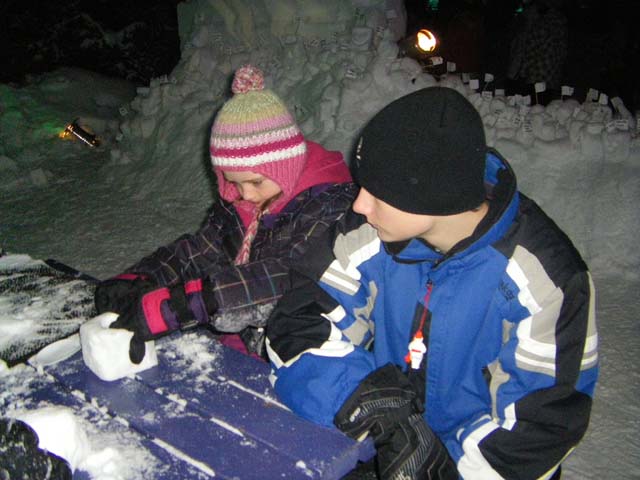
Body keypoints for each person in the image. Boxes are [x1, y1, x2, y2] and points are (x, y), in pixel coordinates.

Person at [265, 87, 598, 479]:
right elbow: (297, 325)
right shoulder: (369, 233)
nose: (359, 204)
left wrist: (435, 468)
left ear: (432, 194)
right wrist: (375, 409)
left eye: (379, 191)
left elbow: (540, 430)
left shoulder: (546, 281)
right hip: (383, 447)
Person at [94, 64, 356, 362]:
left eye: (256, 181)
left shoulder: (329, 207)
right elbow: (197, 252)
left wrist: (183, 305)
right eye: (233, 181)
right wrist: (143, 278)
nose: (245, 194)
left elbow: (284, 278)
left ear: (287, 165)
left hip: (300, 355)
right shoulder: (245, 203)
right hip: (240, 344)